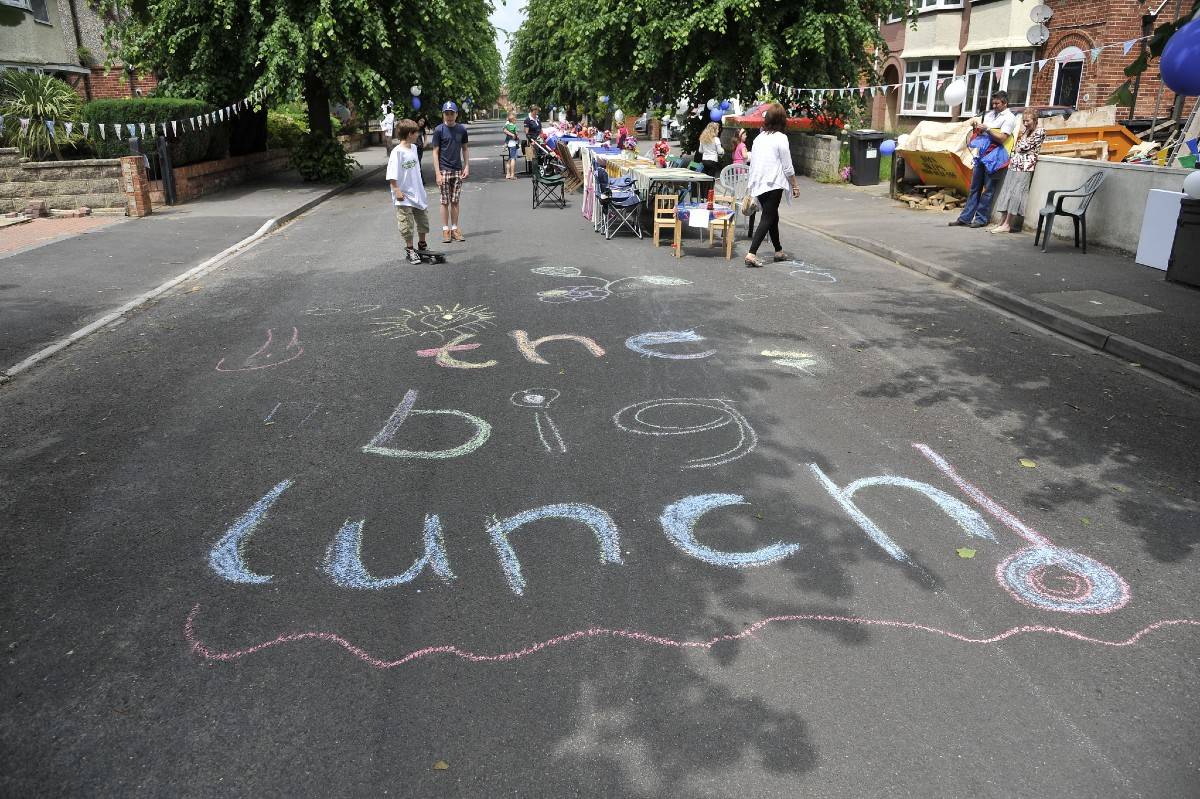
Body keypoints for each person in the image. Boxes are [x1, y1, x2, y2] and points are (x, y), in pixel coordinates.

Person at [950, 90, 1016, 228]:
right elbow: (983, 134)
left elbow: (1002, 138)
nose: (994, 106)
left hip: (995, 158)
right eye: (993, 103)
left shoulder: (1009, 118)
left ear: (1005, 103)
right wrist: (978, 129)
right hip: (982, 155)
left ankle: (980, 219)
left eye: (997, 103)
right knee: (974, 188)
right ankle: (965, 218)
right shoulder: (990, 114)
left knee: (988, 190)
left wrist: (987, 129)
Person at [744, 103, 799, 268]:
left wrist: (751, 185)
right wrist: (795, 185)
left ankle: (778, 251)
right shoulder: (781, 138)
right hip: (774, 183)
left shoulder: (759, 138)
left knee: (773, 216)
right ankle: (751, 253)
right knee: (767, 217)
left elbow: (753, 162)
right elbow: (787, 166)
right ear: (781, 120)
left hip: (759, 182)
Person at [989, 108, 1045, 233]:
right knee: (1008, 191)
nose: (1025, 123)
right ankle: (1002, 222)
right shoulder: (1026, 131)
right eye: (1024, 121)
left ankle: (1008, 224)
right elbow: (1017, 147)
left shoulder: (1040, 131)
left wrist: (1021, 148)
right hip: (1015, 164)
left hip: (1025, 166)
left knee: (1017, 193)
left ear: (1035, 120)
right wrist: (1021, 147)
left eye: (1028, 121)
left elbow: (1024, 147)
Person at [386, 118, 431, 265]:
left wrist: (421, 188)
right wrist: (396, 190)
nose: (418, 135)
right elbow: (392, 175)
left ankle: (422, 246)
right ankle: (410, 249)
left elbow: (416, 170)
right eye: (416, 133)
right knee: (406, 224)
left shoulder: (413, 148)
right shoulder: (397, 152)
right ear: (409, 134)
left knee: (423, 221)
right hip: (403, 194)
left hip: (417, 191)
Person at [431, 101, 470, 243]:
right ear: (443, 114)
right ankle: (445, 230)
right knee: (444, 201)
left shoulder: (461, 130)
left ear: (456, 114)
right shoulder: (439, 130)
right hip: (444, 170)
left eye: (452, 113)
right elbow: (435, 152)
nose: (449, 116)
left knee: (455, 201)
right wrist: (437, 173)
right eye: (446, 113)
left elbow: (465, 149)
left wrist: (466, 166)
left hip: (457, 170)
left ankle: (454, 228)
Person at [503, 111, 520, 180]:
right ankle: (512, 174)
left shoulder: (507, 125)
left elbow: (504, 130)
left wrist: (510, 134)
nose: (516, 120)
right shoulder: (514, 126)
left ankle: (507, 174)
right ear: (513, 120)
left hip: (509, 143)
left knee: (510, 158)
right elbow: (516, 134)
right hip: (513, 144)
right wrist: (515, 135)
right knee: (513, 159)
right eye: (515, 119)